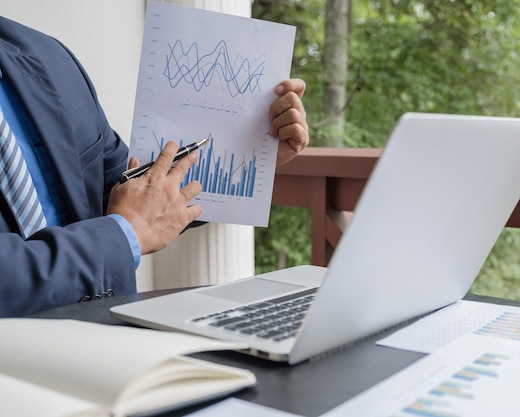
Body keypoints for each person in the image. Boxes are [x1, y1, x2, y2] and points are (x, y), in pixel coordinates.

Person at [0, 16, 309, 317]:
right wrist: (124, 233)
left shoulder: (48, 57)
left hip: (105, 335)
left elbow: (135, 193)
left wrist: (253, 154)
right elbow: (133, 222)